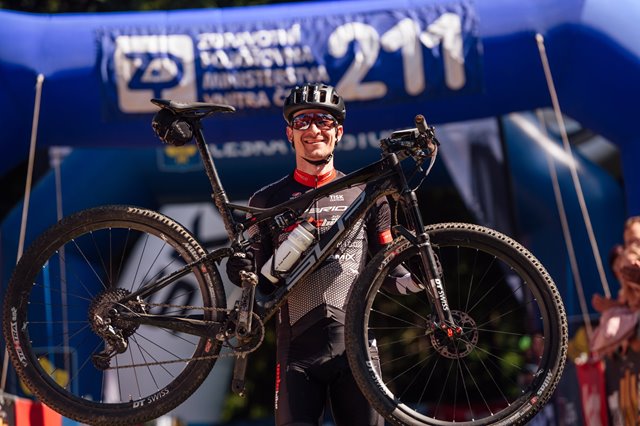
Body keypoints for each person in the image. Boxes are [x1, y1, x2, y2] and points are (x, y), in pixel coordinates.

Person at [225, 83, 418, 425]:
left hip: (358, 353)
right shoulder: (266, 202)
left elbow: (390, 272)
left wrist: (421, 279)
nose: (313, 129)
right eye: (302, 121)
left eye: (323, 121)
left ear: (338, 132)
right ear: (290, 134)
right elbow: (259, 284)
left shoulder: (367, 195)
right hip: (297, 356)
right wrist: (239, 270)